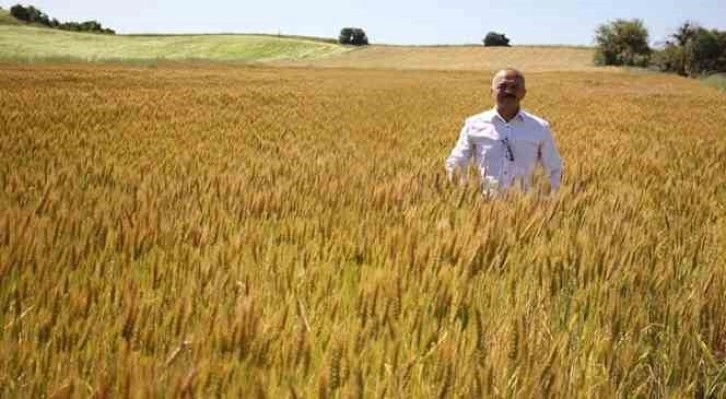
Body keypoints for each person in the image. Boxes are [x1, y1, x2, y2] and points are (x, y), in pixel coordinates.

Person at [445, 68, 563, 196]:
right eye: (502, 86)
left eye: (514, 87)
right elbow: (456, 162)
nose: (508, 91)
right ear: (492, 91)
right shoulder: (474, 124)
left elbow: (554, 169)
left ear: (523, 93)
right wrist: (466, 192)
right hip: (486, 202)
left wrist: (547, 200)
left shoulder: (540, 127)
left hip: (525, 203)